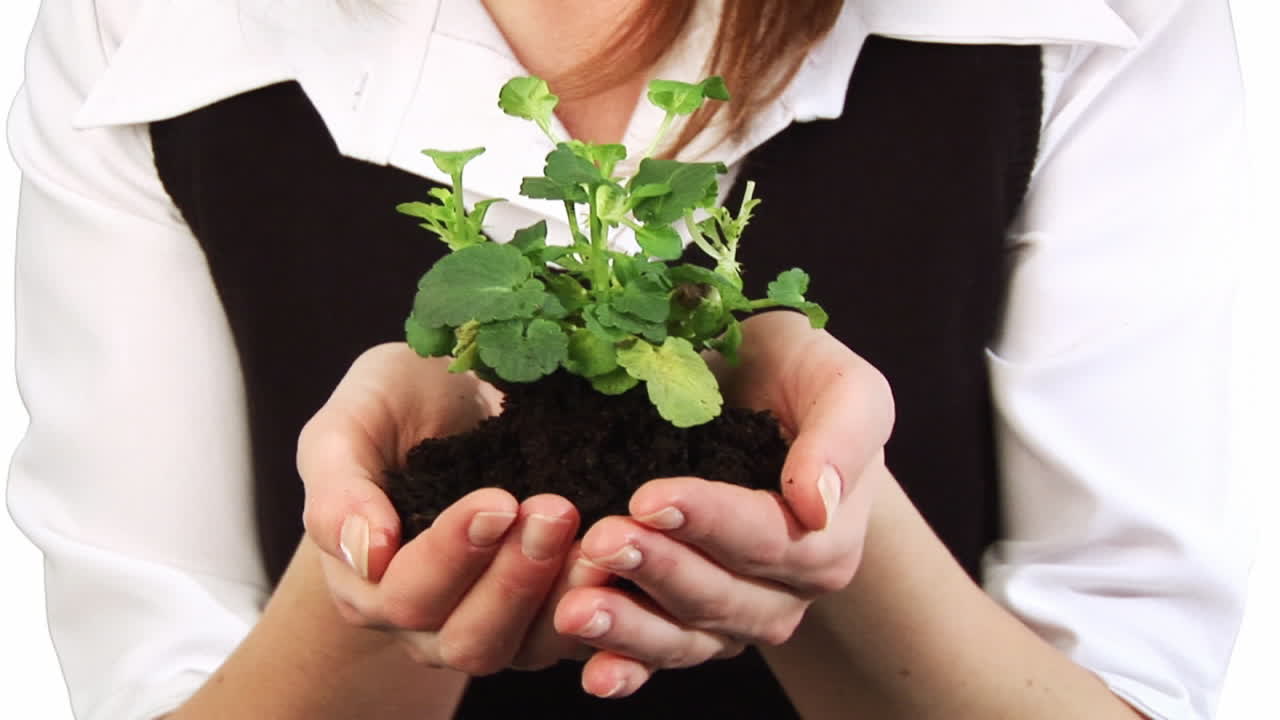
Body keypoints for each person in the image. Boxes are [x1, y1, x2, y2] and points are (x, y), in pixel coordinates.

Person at [6, 0, 1248, 718]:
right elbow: (152, 681)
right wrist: (373, 581)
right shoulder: (141, 25)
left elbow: (1132, 679)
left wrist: (825, 523)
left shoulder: (1083, 17)